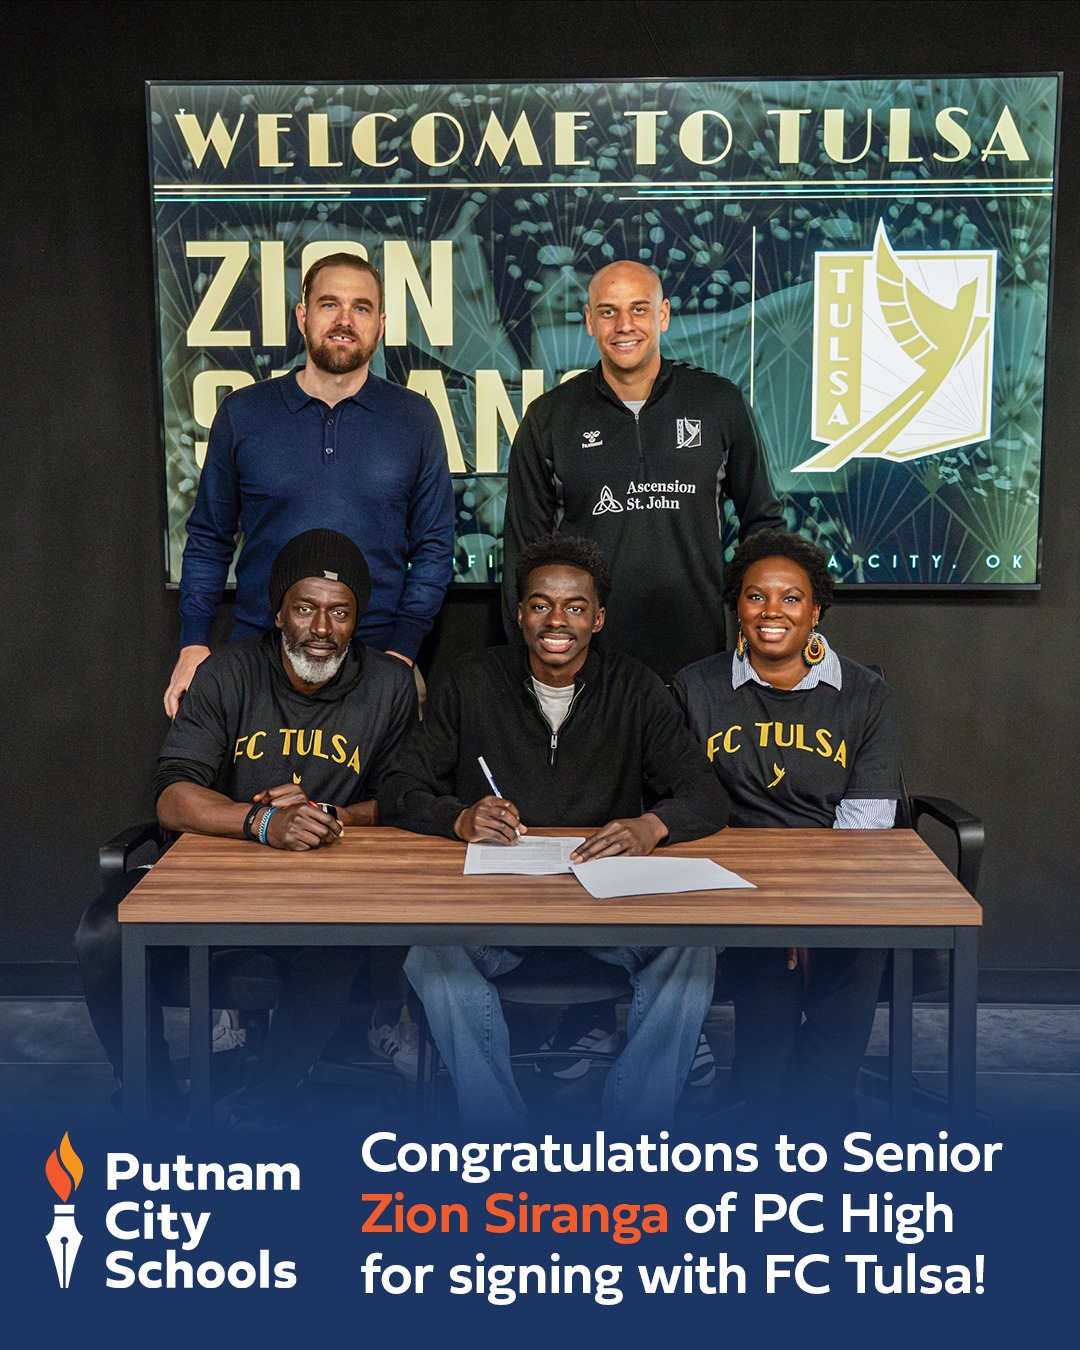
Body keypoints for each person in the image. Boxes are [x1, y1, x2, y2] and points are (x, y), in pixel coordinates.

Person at [378, 534, 729, 1133]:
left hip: (609, 913)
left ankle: (635, 1129)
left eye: (574, 606)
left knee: (690, 947)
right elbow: (397, 785)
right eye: (540, 604)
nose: (556, 620)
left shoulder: (637, 687)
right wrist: (457, 819)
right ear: (519, 614)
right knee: (430, 953)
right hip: (496, 915)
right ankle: (498, 1132)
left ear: (599, 618)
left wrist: (650, 825)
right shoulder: (471, 682)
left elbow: (706, 794)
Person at [77, 529, 418, 1128]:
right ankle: (153, 1100)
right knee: (102, 932)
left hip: (329, 884)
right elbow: (173, 796)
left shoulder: (388, 685)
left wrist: (327, 817)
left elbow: (409, 798)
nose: (321, 628)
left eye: (339, 613)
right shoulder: (229, 673)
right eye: (305, 608)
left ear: (357, 618)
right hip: (222, 878)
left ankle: (260, 1110)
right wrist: (264, 821)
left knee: (339, 938)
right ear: (277, 611)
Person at [671, 528, 902, 1125]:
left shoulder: (865, 694)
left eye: (790, 597)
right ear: (737, 607)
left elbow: (867, 823)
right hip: (737, 888)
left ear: (816, 609)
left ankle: (820, 1134)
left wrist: (811, 911)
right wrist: (777, 910)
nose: (771, 611)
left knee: (824, 1087)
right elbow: (683, 804)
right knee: (766, 1084)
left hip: (840, 888)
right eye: (755, 596)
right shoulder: (696, 687)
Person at [164, 251, 455, 716]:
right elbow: (208, 538)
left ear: (380, 324)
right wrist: (193, 643)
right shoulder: (243, 414)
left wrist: (403, 649)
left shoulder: (415, 419)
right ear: (302, 316)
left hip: (376, 657)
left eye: (361, 308)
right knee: (246, 791)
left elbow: (436, 547)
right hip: (260, 655)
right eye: (328, 304)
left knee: (383, 792)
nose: (345, 320)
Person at [501, 259, 784, 685]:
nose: (624, 325)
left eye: (638, 309)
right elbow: (523, 553)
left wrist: (759, 635)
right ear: (590, 322)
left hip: (697, 660)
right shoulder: (550, 417)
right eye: (608, 311)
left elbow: (763, 522)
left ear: (663, 315)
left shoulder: (717, 403)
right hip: (587, 665)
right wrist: (526, 662)